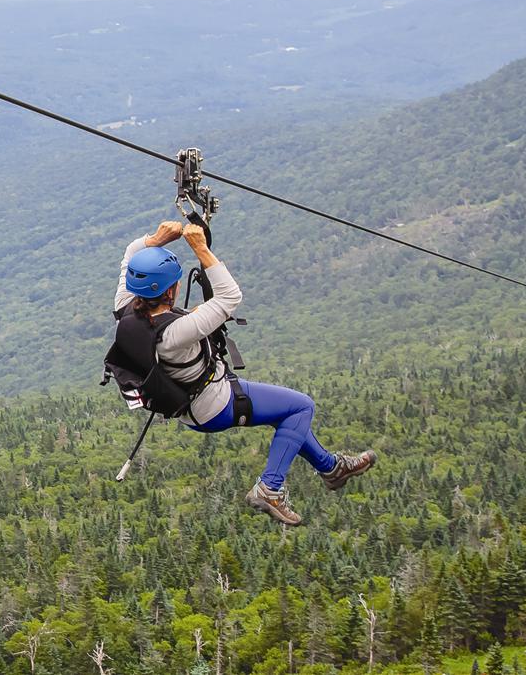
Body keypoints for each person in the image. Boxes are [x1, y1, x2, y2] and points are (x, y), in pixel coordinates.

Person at [112, 220, 376, 526]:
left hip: (190, 404)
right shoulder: (178, 332)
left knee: (287, 415)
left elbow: (130, 255)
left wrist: (156, 240)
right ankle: (270, 488)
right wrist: (200, 248)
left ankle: (331, 469)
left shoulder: (125, 312)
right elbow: (229, 297)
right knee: (301, 406)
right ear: (172, 288)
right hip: (216, 406)